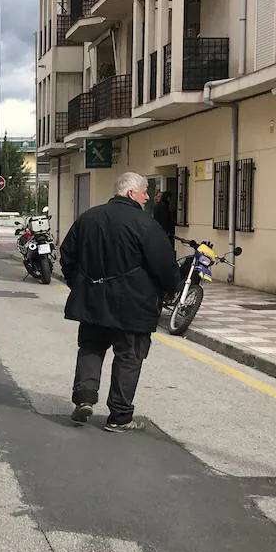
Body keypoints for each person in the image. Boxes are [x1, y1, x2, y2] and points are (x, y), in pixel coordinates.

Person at [59, 172, 180, 433]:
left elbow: (67, 255)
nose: (148, 196)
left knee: (91, 348)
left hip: (93, 301)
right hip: (133, 306)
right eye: (144, 191)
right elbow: (165, 265)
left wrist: (80, 284)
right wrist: (172, 289)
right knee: (129, 357)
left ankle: (85, 398)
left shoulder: (88, 217)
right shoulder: (145, 224)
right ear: (130, 193)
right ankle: (119, 417)